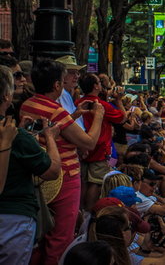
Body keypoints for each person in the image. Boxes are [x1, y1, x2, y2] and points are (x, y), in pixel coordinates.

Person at [20, 58, 106, 264]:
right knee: (60, 236)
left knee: (42, 235)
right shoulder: (55, 110)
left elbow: (57, 130)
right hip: (64, 177)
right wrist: (99, 117)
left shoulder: (28, 103)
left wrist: (75, 114)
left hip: (42, 175)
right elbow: (88, 142)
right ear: (57, 85)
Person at [0, 65, 62, 265]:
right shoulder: (13, 137)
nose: (22, 81)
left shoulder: (14, 133)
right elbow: (52, 171)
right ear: (6, 96)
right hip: (13, 219)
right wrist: (50, 138)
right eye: (16, 78)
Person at [76, 73, 127, 211]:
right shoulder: (101, 105)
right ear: (95, 86)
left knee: (83, 182)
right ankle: (89, 211)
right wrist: (119, 101)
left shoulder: (78, 103)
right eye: (99, 82)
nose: (101, 84)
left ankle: (80, 211)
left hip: (81, 146)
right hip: (99, 149)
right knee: (96, 182)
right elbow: (122, 118)